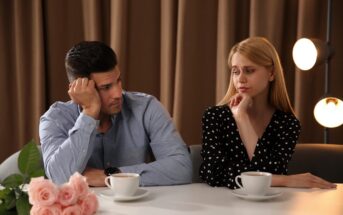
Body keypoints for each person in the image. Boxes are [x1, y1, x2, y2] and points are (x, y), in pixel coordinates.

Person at [39, 41, 192, 186]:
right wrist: (89, 113)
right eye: (106, 87)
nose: (118, 93)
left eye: (118, 80)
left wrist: (112, 176)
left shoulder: (146, 107)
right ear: (79, 89)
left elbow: (181, 168)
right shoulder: (55, 118)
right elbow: (59, 177)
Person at [199, 37, 336, 189]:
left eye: (249, 71)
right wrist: (286, 180)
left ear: (271, 73)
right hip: (220, 205)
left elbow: (271, 171)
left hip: (271, 207)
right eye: (235, 71)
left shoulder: (288, 124)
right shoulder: (215, 116)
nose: (240, 79)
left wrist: (242, 119)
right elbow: (212, 173)